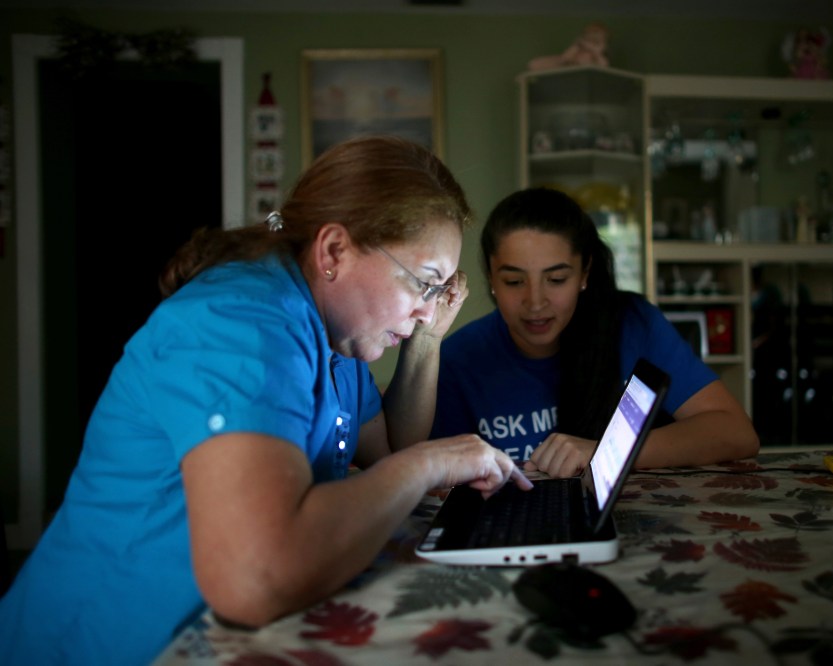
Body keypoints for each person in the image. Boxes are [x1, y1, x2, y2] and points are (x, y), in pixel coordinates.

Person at [0, 136, 531, 665]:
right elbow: (253, 579)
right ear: (334, 252)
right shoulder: (238, 325)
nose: (427, 307)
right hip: (103, 643)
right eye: (423, 282)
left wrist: (427, 339)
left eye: (438, 292)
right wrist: (430, 461)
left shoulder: (338, 335)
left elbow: (391, 451)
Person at [431, 187, 759, 477]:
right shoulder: (461, 360)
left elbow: (736, 432)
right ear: (490, 278)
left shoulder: (633, 325)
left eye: (557, 279)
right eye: (514, 281)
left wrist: (605, 455)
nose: (535, 302)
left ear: (584, 273)